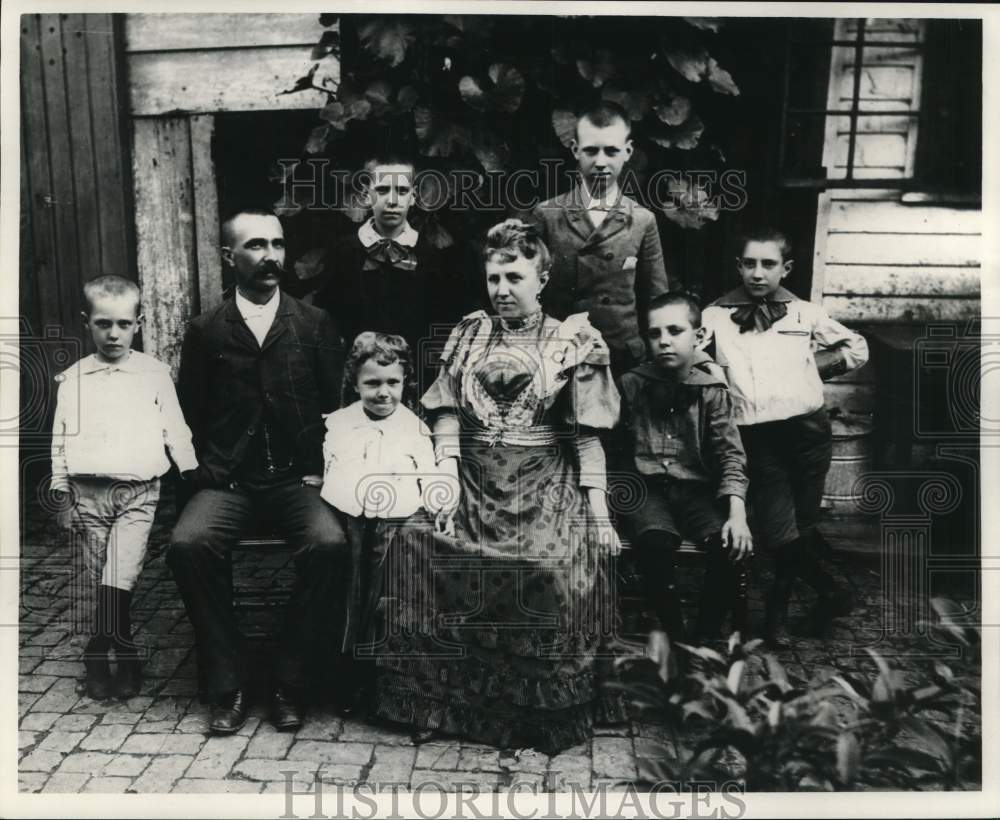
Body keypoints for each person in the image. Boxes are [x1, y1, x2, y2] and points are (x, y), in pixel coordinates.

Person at [371, 219, 625, 753]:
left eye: (514, 276)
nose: (502, 290)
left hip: (543, 480)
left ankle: (532, 714)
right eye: (493, 278)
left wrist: (598, 513)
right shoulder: (469, 334)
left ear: (543, 277)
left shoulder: (571, 340)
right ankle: (434, 700)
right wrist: (445, 479)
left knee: (548, 567)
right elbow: (445, 415)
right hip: (470, 473)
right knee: (416, 542)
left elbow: (586, 438)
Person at [168, 207, 349, 734]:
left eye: (277, 244)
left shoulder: (314, 324)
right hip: (230, 481)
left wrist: (322, 470)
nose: (271, 256)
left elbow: (338, 408)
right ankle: (228, 682)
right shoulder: (206, 330)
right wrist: (205, 474)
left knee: (330, 545)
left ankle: (289, 680)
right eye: (255, 246)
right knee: (188, 544)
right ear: (230, 257)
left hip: (298, 480)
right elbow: (189, 413)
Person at [702, 227, 869, 648]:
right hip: (756, 437)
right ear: (738, 266)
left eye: (769, 264)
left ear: (786, 268)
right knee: (781, 530)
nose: (759, 273)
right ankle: (831, 591)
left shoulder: (805, 314)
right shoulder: (714, 316)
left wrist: (812, 369)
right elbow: (695, 360)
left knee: (804, 523)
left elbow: (857, 347)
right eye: (750, 264)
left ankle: (779, 616)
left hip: (807, 433)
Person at [50, 275, 198, 700]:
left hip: (138, 494)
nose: (113, 333)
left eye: (123, 324)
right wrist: (62, 493)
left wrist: (192, 475)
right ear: (86, 322)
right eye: (102, 324)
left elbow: (176, 428)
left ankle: (106, 649)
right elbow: (60, 438)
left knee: (122, 574)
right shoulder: (75, 379)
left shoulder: (153, 374)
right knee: (105, 579)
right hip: (87, 494)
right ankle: (118, 653)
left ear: (140, 323)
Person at [318, 332, 451, 711]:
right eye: (372, 383)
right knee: (349, 596)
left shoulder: (413, 427)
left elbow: (429, 471)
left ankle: (378, 680)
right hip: (351, 519)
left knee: (383, 597)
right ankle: (342, 673)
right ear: (355, 383)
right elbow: (331, 461)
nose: (383, 393)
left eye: (392, 383)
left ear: (405, 382)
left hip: (394, 522)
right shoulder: (340, 423)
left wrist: (438, 502)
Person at [619, 292, 752, 645]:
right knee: (656, 543)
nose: (664, 341)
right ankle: (674, 637)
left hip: (696, 490)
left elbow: (730, 454)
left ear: (700, 335)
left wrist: (737, 514)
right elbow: (615, 451)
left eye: (675, 331)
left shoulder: (711, 390)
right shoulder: (632, 384)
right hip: (646, 489)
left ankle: (703, 637)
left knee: (726, 547)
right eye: (654, 333)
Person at [525, 101, 678, 377]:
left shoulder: (642, 220)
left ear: (627, 152)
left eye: (611, 151)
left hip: (622, 361)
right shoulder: (547, 215)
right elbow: (528, 290)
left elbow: (657, 300)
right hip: (559, 356)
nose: (600, 162)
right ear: (575, 150)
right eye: (591, 150)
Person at [313, 156, 478, 371]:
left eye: (401, 191)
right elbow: (327, 320)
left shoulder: (431, 256)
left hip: (415, 374)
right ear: (366, 195)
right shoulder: (344, 252)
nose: (392, 200)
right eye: (382, 190)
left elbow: (443, 324)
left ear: (413, 197)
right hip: (357, 374)